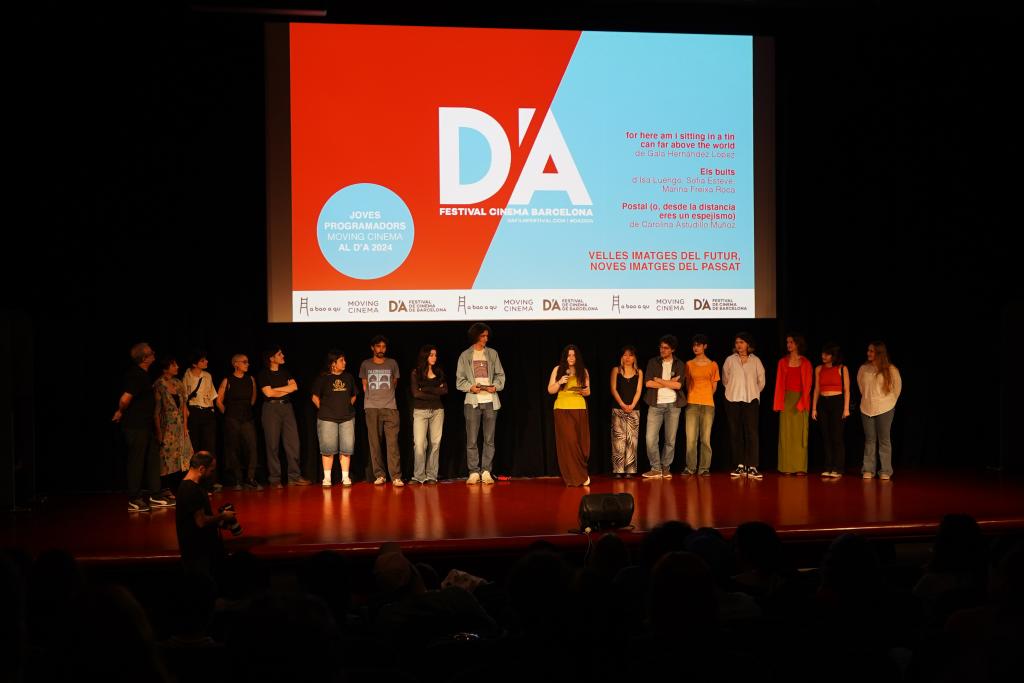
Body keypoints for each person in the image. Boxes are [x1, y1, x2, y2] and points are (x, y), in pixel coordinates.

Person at [112, 342, 172, 512]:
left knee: (153, 458)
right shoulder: (135, 375)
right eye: (152, 352)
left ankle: (155, 494)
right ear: (145, 358)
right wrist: (120, 411)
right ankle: (134, 498)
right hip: (135, 426)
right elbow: (125, 399)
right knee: (136, 461)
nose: (154, 354)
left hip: (146, 425)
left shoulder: (143, 374)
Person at [456, 322, 505, 485]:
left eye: (486, 336)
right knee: (472, 440)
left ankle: (486, 471)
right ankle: (473, 472)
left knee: (489, 439)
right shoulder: (465, 355)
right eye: (483, 336)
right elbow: (459, 381)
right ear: (475, 336)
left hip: (490, 401)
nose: (486, 339)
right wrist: (471, 387)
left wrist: (495, 386)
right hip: (473, 402)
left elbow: (500, 376)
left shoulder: (492, 354)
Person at [176, 451, 235, 578]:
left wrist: (220, 523)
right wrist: (222, 516)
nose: (212, 474)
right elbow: (201, 522)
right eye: (211, 471)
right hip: (198, 556)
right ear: (202, 469)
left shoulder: (196, 485)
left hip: (202, 552)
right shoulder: (190, 489)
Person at [257, 345, 310, 488]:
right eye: (279, 354)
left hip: (287, 408)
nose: (283, 356)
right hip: (271, 409)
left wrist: (276, 390)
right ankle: (275, 479)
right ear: (271, 358)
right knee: (272, 445)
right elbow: (268, 393)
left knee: (293, 443)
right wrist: (285, 390)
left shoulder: (285, 372)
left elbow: (294, 387)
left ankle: (294, 476)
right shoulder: (264, 374)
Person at [311, 349, 358, 487]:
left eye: (344, 360)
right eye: (341, 360)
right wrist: (326, 410)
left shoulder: (348, 377)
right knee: (328, 449)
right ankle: (327, 478)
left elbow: (354, 395)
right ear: (333, 363)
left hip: (347, 418)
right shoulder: (323, 378)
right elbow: (314, 397)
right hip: (327, 419)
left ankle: (345, 477)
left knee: (346, 448)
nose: (345, 363)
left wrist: (346, 407)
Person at [722, 332, 766, 480]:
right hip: (733, 399)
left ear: (748, 344)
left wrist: (754, 392)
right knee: (736, 433)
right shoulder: (730, 360)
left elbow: (761, 381)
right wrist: (734, 390)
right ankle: (740, 465)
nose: (739, 345)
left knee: (751, 433)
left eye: (741, 342)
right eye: (737, 342)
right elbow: (725, 379)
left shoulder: (756, 361)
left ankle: (752, 466)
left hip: (751, 399)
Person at [360, 335, 402, 486]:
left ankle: (396, 476)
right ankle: (380, 475)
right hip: (372, 408)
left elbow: (394, 383)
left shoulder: (392, 363)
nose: (381, 349)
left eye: (383, 346)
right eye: (378, 346)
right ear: (372, 348)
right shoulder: (366, 364)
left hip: (390, 407)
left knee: (393, 444)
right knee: (375, 443)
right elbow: (364, 385)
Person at [547, 344, 592, 486]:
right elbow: (550, 390)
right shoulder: (558, 369)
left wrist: (583, 391)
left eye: (574, 355)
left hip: (579, 407)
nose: (571, 358)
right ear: (565, 357)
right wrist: (560, 382)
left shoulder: (583, 371)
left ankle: (580, 474)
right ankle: (577, 477)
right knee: (570, 442)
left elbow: (588, 391)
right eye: (569, 355)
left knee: (580, 443)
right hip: (562, 408)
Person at [643, 334, 686, 478]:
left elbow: (678, 385)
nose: (662, 350)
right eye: (661, 347)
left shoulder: (679, 364)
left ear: (672, 349)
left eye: (666, 348)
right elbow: (648, 383)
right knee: (650, 439)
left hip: (673, 405)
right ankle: (655, 468)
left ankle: (665, 467)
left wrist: (658, 379)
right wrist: (669, 382)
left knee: (670, 440)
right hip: (655, 404)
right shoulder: (653, 362)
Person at [857, 341, 902, 480]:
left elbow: (897, 388)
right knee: (869, 439)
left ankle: (885, 471)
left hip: (885, 408)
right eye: (868, 350)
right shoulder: (864, 368)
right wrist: (867, 398)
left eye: (871, 351)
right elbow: (861, 386)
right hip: (866, 408)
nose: (868, 353)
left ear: (879, 353)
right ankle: (868, 469)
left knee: (884, 440)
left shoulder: (891, 369)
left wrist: (889, 403)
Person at [216, 354, 261, 490]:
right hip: (232, 418)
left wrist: (245, 410)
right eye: (244, 362)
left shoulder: (250, 379)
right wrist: (228, 414)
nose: (247, 364)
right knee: (233, 448)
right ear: (236, 364)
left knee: (252, 447)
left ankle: (250, 478)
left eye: (247, 362)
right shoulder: (227, 380)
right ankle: (237, 479)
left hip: (247, 417)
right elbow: (219, 401)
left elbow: (253, 398)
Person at [154, 356, 194, 496]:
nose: (177, 367)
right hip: (167, 427)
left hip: (180, 426)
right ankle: (166, 489)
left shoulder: (178, 383)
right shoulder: (159, 385)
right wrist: (159, 432)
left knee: (184, 456)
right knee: (168, 459)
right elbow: (157, 412)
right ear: (165, 368)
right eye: (173, 365)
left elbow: (184, 407)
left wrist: (185, 427)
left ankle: (183, 488)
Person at [773, 333, 812, 475]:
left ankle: (800, 467)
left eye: (791, 342)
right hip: (786, 400)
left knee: (799, 435)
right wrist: (778, 403)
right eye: (787, 342)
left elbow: (808, 385)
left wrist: (802, 402)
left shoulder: (806, 363)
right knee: (786, 434)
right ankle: (787, 467)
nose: (788, 345)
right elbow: (779, 384)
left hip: (801, 400)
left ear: (798, 344)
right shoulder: (782, 362)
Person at [410, 345, 448, 484]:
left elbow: (445, 391)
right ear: (425, 356)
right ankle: (419, 476)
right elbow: (416, 393)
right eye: (431, 355)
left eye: (435, 355)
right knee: (420, 444)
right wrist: (435, 390)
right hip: (420, 411)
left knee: (435, 443)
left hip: (437, 411)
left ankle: (432, 475)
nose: (434, 358)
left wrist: (425, 389)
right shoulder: (416, 373)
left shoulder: (439, 372)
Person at [812, 342, 850, 478]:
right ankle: (828, 466)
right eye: (823, 353)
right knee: (826, 437)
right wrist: (814, 408)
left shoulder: (842, 368)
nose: (824, 356)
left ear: (834, 356)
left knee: (836, 437)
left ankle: (838, 468)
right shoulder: (818, 369)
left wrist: (846, 408)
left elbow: (847, 390)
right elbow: (816, 389)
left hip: (837, 403)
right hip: (823, 403)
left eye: (827, 354)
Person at [684, 334, 720, 476]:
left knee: (705, 439)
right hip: (692, 403)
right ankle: (690, 467)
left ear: (705, 346)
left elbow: (714, 386)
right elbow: (688, 384)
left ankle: (704, 468)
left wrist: (706, 396)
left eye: (698, 345)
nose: (695, 348)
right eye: (694, 345)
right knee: (691, 438)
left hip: (707, 404)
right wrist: (693, 395)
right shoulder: (689, 364)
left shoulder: (713, 364)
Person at [609, 345, 643, 477]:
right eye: (625, 355)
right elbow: (613, 389)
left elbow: (639, 390)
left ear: (634, 358)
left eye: (630, 355)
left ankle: (630, 471)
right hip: (618, 409)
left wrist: (632, 405)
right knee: (619, 440)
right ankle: (618, 470)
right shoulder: (616, 370)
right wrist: (622, 404)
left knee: (632, 441)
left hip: (634, 410)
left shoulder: (639, 372)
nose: (627, 358)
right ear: (621, 357)